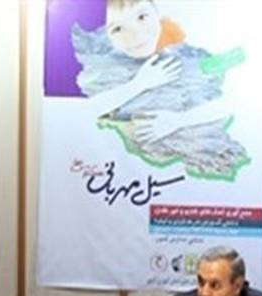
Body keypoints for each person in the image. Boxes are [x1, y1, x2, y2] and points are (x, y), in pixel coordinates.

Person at [72, 0, 248, 181]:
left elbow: (231, 103)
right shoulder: (110, 69)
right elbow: (88, 111)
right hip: (138, 172)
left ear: (156, 13)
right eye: (117, 29)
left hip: (203, 161)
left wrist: (177, 121)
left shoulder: (188, 58)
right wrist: (140, 84)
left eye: (142, 17)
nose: (136, 34)